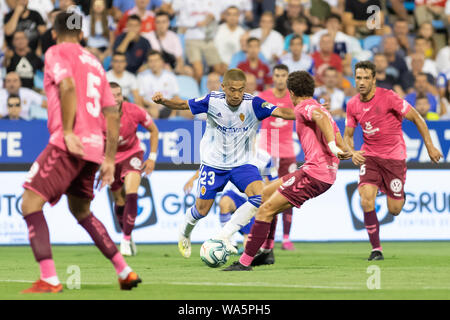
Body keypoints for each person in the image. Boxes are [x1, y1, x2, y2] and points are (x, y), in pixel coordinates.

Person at [20, 11, 141, 293]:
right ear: (82, 34)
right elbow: (112, 113)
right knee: (82, 210)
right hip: (95, 149)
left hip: (68, 144)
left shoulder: (55, 52)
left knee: (29, 204)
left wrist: (70, 132)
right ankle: (124, 270)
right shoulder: (97, 64)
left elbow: (68, 85)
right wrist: (109, 159)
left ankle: (49, 279)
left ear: (53, 32)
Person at [151, 68, 297, 258]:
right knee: (202, 210)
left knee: (259, 197)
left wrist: (311, 110)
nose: (237, 95)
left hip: (242, 164)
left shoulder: (253, 103)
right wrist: (163, 101)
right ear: (223, 87)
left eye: (240, 90)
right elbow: (183, 105)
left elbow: (284, 112)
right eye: (232, 90)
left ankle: (223, 236)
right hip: (213, 163)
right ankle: (185, 232)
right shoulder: (212, 100)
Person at [223, 70, 352, 271]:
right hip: (313, 171)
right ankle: (266, 250)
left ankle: (245, 262)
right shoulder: (319, 108)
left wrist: (334, 148)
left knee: (265, 210)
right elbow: (336, 134)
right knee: (264, 195)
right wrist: (343, 150)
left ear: (291, 93)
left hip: (314, 175)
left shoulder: (305, 107)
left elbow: (319, 120)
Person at [343, 61, 442, 261]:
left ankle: (397, 193)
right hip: (369, 156)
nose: (361, 82)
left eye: (365, 78)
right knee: (366, 199)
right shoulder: (352, 104)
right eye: (358, 78)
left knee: (394, 210)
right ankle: (376, 249)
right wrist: (352, 152)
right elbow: (348, 135)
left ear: (373, 79)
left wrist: (430, 146)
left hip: (394, 158)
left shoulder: (388, 97)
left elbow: (417, 118)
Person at [108, 82, 159, 256]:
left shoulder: (134, 110)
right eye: (111, 95)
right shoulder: (98, 116)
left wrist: (151, 158)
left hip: (132, 154)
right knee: (119, 200)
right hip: (110, 158)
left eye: (118, 95)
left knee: (131, 192)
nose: (115, 99)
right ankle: (127, 234)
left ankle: (125, 240)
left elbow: (153, 130)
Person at [258, 64, 297, 251]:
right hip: (267, 152)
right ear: (272, 77)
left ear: (287, 78)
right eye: (277, 75)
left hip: (288, 152)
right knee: (267, 195)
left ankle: (287, 237)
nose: (280, 78)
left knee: (289, 195)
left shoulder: (294, 97)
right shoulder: (264, 97)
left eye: (283, 75)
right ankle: (268, 239)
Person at [137, 50, 183, 119]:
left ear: (162, 62)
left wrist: (173, 112)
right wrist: (152, 105)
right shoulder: (142, 76)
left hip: (169, 106)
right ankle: (157, 129)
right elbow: (140, 98)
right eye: (151, 61)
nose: (153, 63)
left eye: (156, 60)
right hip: (151, 106)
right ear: (148, 63)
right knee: (154, 112)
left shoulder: (170, 76)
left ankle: (198, 129)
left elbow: (176, 97)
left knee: (192, 112)